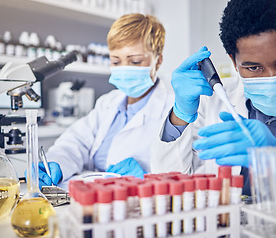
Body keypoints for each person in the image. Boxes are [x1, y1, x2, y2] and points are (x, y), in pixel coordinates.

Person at [151, 0, 276, 195]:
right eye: (253, 67)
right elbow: (167, 182)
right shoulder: (212, 101)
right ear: (234, 63)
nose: (272, 77)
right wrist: (181, 114)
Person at [37, 14, 174, 188]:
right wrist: (56, 163)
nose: (124, 68)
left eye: (135, 61)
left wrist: (150, 175)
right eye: (116, 62)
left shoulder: (173, 108)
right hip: (91, 196)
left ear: (158, 61)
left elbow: (185, 166)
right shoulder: (108, 103)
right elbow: (76, 142)